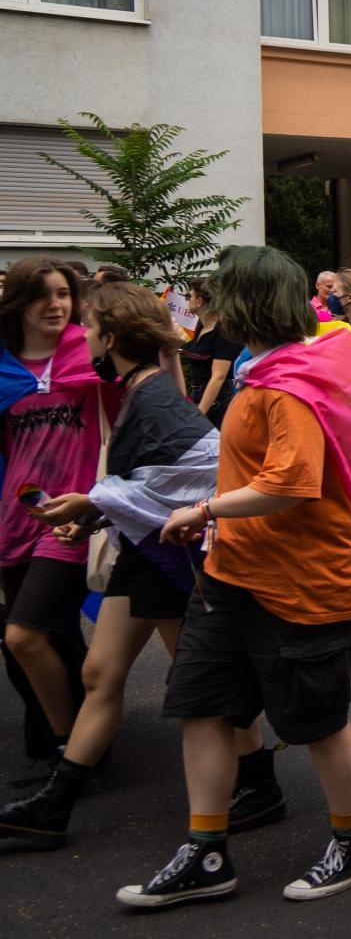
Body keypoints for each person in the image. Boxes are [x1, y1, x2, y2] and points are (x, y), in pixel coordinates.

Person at [120, 246, 351, 907]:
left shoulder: (287, 381)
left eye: (215, 296)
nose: (205, 308)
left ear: (245, 302)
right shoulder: (261, 367)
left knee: (316, 722)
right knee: (204, 706)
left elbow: (291, 483)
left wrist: (203, 509)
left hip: (299, 583)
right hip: (231, 572)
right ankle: (206, 851)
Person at [0, 284, 281, 849]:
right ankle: (54, 806)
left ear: (113, 338)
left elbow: (205, 471)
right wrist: (96, 513)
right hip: (149, 556)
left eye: (91, 331)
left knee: (204, 687)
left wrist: (95, 503)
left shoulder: (154, 399)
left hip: (172, 563)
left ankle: (257, 785)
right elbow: (147, 484)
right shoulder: (137, 391)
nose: (84, 340)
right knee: (101, 674)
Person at [0, 257, 111, 781]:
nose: (56, 305)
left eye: (64, 294)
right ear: (18, 304)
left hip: (72, 516)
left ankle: (72, 755)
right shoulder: (2, 365)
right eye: (43, 295)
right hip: (15, 517)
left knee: (22, 635)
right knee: (56, 635)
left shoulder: (87, 351)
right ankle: (69, 743)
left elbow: (142, 394)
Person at [181, 277, 242, 428]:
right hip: (203, 396)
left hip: (218, 401)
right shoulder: (201, 327)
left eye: (189, 296)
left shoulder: (223, 330)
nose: (187, 300)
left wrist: (200, 412)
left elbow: (218, 377)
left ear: (200, 301)